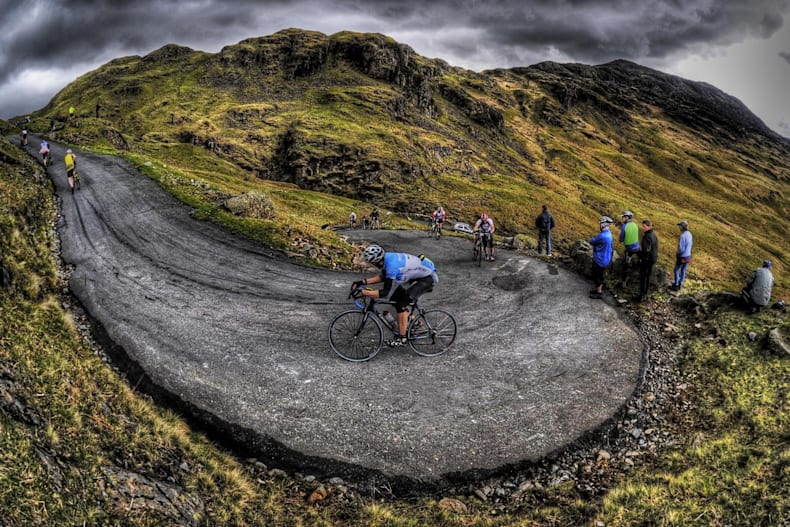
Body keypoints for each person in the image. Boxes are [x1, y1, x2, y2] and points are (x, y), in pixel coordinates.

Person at [351, 244, 439, 347]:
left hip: (427, 279)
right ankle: (413, 322)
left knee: (401, 303)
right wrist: (362, 282)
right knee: (395, 299)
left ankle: (402, 339)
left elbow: (384, 293)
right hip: (414, 276)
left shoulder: (391, 264)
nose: (373, 265)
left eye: (373, 263)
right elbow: (383, 276)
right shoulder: (387, 258)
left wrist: (363, 292)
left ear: (378, 261)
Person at [589, 216, 614, 299]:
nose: (599, 225)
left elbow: (592, 241)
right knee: (600, 275)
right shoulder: (609, 233)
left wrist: (593, 238)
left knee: (597, 276)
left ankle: (599, 293)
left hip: (600, 259)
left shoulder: (602, 236)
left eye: (600, 223)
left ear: (603, 225)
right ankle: (598, 289)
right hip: (606, 259)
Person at [637, 219, 658, 301]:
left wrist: (640, 255)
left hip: (647, 260)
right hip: (652, 259)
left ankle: (642, 295)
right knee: (647, 277)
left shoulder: (647, 236)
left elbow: (646, 250)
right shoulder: (654, 235)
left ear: (648, 226)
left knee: (643, 277)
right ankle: (644, 294)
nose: (643, 228)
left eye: (644, 226)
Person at [619, 210, 640, 287]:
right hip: (637, 247)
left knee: (626, 264)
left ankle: (623, 282)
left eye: (623, 217)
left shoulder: (624, 226)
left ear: (627, 218)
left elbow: (621, 239)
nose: (622, 219)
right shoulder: (635, 225)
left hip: (630, 249)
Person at [672, 220, 693, 291]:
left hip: (682, 256)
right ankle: (681, 283)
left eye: (680, 226)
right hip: (688, 255)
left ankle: (676, 284)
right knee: (684, 270)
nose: (679, 227)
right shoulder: (689, 234)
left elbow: (681, 248)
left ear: (682, 227)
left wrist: (678, 253)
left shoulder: (683, 236)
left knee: (676, 269)